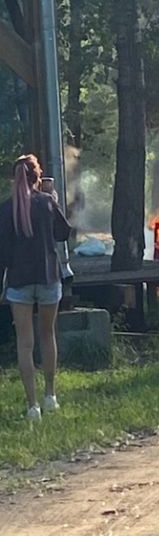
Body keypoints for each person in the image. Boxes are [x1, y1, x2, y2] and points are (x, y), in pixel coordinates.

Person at [0, 154, 71, 421]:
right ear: (37, 177)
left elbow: (2, 252)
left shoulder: (5, 210)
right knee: (47, 336)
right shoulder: (46, 203)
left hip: (19, 283)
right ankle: (50, 395)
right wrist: (52, 198)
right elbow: (64, 233)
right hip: (48, 277)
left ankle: (32, 407)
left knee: (25, 344)